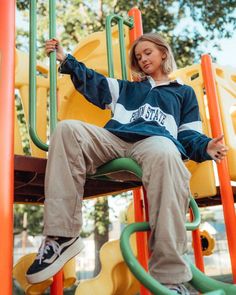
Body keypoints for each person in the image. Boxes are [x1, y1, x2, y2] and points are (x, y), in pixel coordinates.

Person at [26, 33, 228, 294]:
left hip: (155, 143)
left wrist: (206, 146)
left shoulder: (183, 93)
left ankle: (170, 277)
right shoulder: (129, 89)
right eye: (138, 56)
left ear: (163, 53)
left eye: (148, 53)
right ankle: (62, 236)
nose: (142, 59)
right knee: (67, 129)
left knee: (167, 152)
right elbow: (94, 83)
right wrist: (67, 59)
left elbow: (188, 135)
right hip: (115, 139)